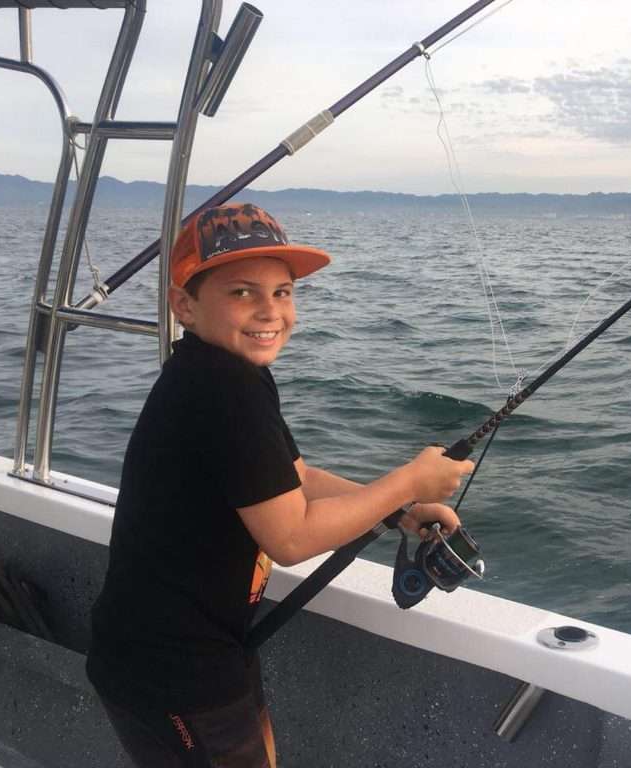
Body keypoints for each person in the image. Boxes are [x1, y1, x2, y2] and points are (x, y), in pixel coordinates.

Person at [86, 203, 473, 768]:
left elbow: (292, 480)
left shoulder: (225, 372)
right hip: (176, 673)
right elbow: (290, 538)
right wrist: (408, 479)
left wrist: (401, 507)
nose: (271, 311)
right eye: (242, 292)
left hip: (187, 654)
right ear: (184, 305)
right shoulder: (224, 390)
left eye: (284, 292)